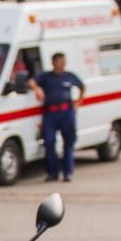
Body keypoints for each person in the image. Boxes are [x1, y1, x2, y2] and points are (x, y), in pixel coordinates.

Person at [32, 50, 85, 183]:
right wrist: (37, 89)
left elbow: (82, 87)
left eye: (64, 61)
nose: (62, 64)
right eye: (60, 61)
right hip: (51, 113)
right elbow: (32, 82)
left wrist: (78, 103)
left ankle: (67, 172)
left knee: (68, 143)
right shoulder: (46, 77)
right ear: (54, 62)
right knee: (49, 142)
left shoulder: (69, 76)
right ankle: (52, 172)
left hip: (66, 112)